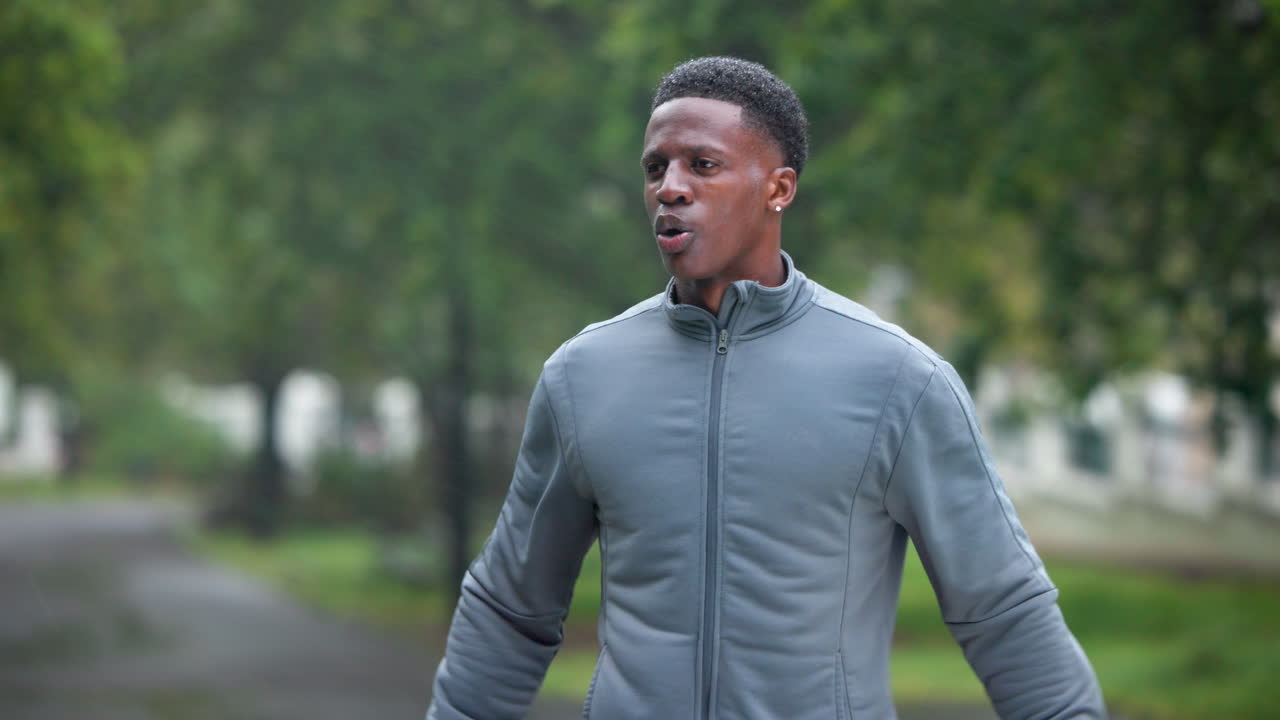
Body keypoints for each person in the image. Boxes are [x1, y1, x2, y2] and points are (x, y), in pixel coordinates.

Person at [426, 56, 1106, 719]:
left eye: (703, 164)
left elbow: (1003, 611)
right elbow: (511, 608)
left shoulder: (899, 381)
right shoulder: (582, 377)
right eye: (655, 167)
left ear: (779, 188)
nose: (670, 186)